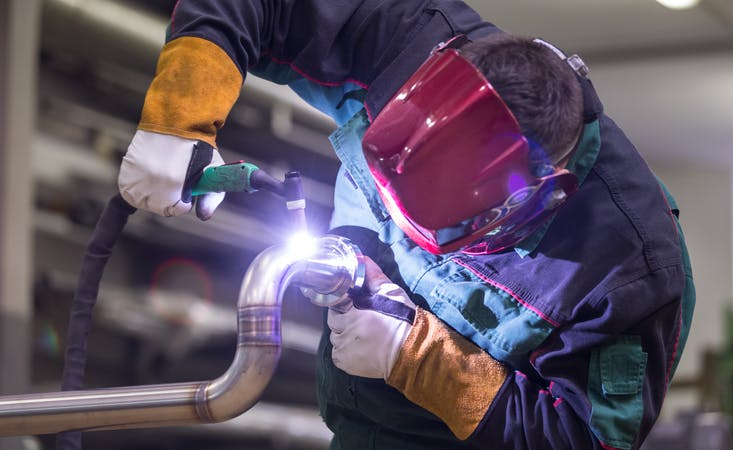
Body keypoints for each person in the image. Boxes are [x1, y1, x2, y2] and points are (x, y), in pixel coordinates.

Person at [118, 1, 695, 449]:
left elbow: (585, 440)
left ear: (534, 201)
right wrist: (181, 115)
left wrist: (418, 357)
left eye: (429, 226)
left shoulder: (627, 269)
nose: (395, 230)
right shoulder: (406, 42)